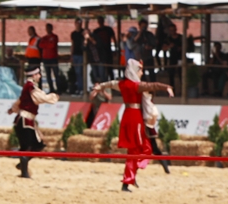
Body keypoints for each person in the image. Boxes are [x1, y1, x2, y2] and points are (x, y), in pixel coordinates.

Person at [91, 59, 174, 192]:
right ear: (134, 71)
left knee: (140, 148)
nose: (142, 72)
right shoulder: (135, 86)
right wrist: (167, 87)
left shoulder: (122, 84)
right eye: (140, 70)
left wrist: (99, 87)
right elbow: (152, 86)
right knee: (139, 149)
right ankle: (128, 180)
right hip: (135, 118)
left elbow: (110, 84)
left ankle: (131, 176)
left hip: (128, 116)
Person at [8, 64, 58, 178]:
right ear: (34, 75)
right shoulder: (31, 86)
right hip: (26, 120)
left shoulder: (27, 86)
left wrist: (13, 109)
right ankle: (24, 168)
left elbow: (21, 100)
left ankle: (23, 167)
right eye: (38, 74)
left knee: (32, 146)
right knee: (33, 146)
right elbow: (39, 98)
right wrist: (54, 96)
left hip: (25, 120)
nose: (39, 76)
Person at [91, 16, 116, 82]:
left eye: (101, 20)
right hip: (100, 53)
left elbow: (114, 38)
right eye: (99, 21)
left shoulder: (109, 29)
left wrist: (116, 48)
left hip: (108, 51)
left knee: (110, 68)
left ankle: (112, 82)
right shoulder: (96, 31)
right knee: (102, 70)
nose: (100, 22)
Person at [38, 23, 60, 93]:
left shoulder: (54, 36)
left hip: (53, 58)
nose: (48, 29)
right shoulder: (44, 38)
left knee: (56, 74)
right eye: (47, 28)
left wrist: (46, 45)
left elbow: (52, 45)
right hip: (45, 59)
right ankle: (51, 89)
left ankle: (59, 89)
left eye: (49, 28)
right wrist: (48, 44)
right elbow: (41, 45)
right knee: (48, 75)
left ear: (51, 28)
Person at [70, 18, 86, 94]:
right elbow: (72, 44)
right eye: (77, 23)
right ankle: (78, 88)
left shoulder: (83, 32)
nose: (78, 24)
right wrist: (71, 55)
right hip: (75, 54)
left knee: (80, 72)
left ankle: (82, 88)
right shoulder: (73, 34)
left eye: (80, 23)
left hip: (81, 55)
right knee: (76, 72)